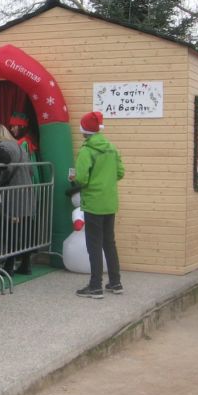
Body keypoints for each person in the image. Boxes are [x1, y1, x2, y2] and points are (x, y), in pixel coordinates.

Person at [70, 111, 125, 299]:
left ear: (84, 131)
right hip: (110, 202)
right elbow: (120, 173)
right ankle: (116, 282)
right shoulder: (112, 148)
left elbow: (82, 179)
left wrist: (74, 178)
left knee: (94, 245)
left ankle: (95, 286)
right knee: (109, 243)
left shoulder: (87, 151)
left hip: (93, 203)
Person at [0, 124, 35, 276]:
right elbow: (31, 170)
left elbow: (5, 170)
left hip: (13, 193)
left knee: (11, 230)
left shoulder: (3, 148)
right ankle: (26, 264)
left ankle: (9, 266)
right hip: (27, 191)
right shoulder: (20, 146)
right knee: (25, 229)